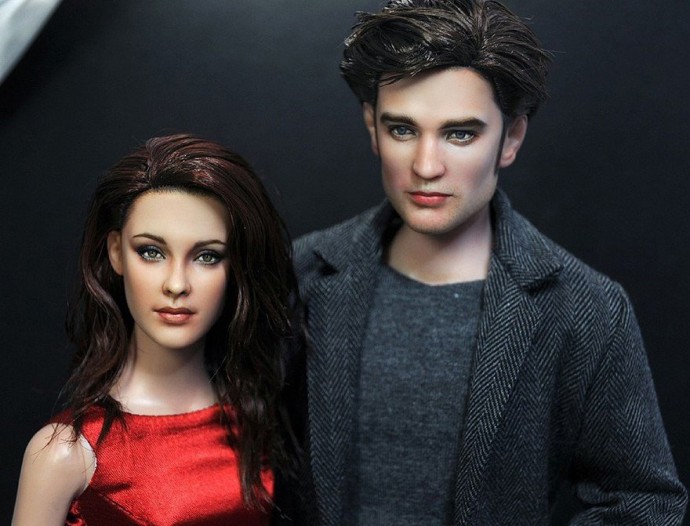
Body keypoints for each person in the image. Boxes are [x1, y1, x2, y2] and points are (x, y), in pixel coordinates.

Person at [293, 1, 687, 524]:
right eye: (402, 129)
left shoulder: (585, 308)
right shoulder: (304, 273)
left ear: (511, 138)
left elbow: (644, 502)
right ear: (372, 126)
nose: (426, 165)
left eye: (460, 133)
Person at [12, 134, 302, 525]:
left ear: (235, 267)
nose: (176, 284)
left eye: (207, 256)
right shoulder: (66, 453)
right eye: (151, 251)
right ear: (116, 252)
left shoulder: (259, 423)